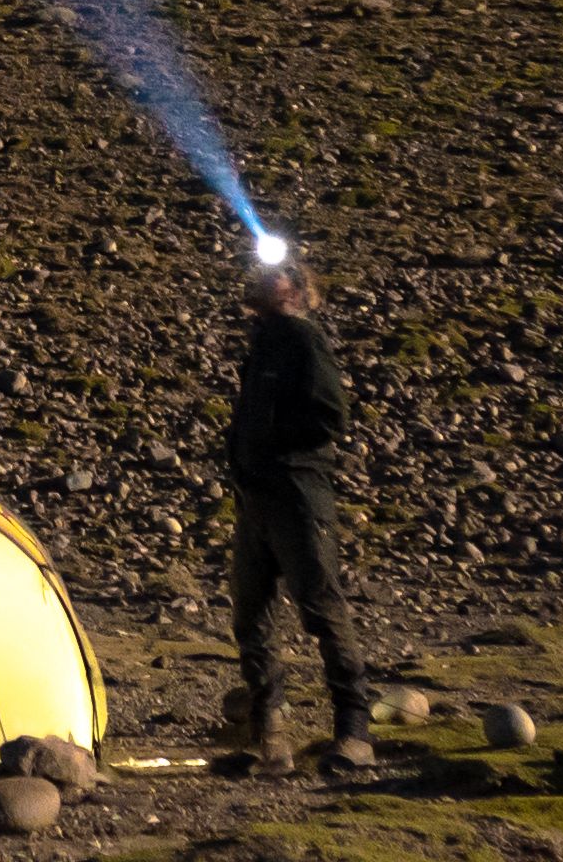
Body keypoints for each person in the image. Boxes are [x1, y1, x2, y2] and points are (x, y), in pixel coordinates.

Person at [223, 257, 373, 777]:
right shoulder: (264, 340)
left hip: (297, 493)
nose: (264, 277)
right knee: (251, 613)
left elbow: (331, 415)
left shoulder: (302, 339)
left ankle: (354, 733)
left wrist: (272, 447)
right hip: (257, 495)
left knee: (319, 605)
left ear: (297, 289)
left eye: (280, 271)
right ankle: (271, 735)